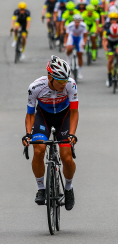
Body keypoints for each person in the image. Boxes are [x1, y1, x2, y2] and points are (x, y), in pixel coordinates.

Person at [23, 56, 78, 210]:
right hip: (43, 118)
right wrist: (28, 134)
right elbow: (30, 114)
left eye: (65, 80)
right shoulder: (35, 87)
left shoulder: (70, 84)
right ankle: (41, 188)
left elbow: (74, 112)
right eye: (60, 81)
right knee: (39, 150)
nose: (63, 84)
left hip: (64, 118)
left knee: (67, 157)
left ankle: (68, 189)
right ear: (49, 77)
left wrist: (72, 134)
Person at [65, 14, 88, 79]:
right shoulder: (70, 25)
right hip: (72, 37)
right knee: (69, 48)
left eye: (78, 21)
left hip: (80, 38)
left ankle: (79, 73)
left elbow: (85, 36)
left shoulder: (83, 26)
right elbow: (67, 36)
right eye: (76, 21)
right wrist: (65, 44)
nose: (77, 23)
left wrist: (84, 43)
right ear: (73, 21)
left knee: (80, 54)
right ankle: (68, 60)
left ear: (81, 21)